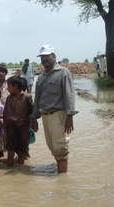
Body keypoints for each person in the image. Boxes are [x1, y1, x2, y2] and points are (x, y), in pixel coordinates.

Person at [31, 44, 77, 174]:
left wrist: (70, 116)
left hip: (59, 115)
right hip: (45, 116)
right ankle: (60, 171)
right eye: (42, 57)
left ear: (54, 56)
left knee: (60, 148)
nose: (44, 59)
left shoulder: (63, 73)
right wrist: (34, 118)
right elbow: (37, 99)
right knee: (52, 146)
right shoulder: (41, 77)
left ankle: (63, 180)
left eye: (47, 56)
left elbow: (69, 95)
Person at [4, 75, 33, 167]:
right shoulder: (9, 98)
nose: (7, 88)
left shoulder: (27, 97)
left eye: (8, 86)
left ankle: (21, 170)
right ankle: (10, 167)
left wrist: (33, 124)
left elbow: (32, 112)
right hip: (10, 128)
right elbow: (6, 112)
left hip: (22, 128)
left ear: (15, 86)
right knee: (10, 149)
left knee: (22, 151)